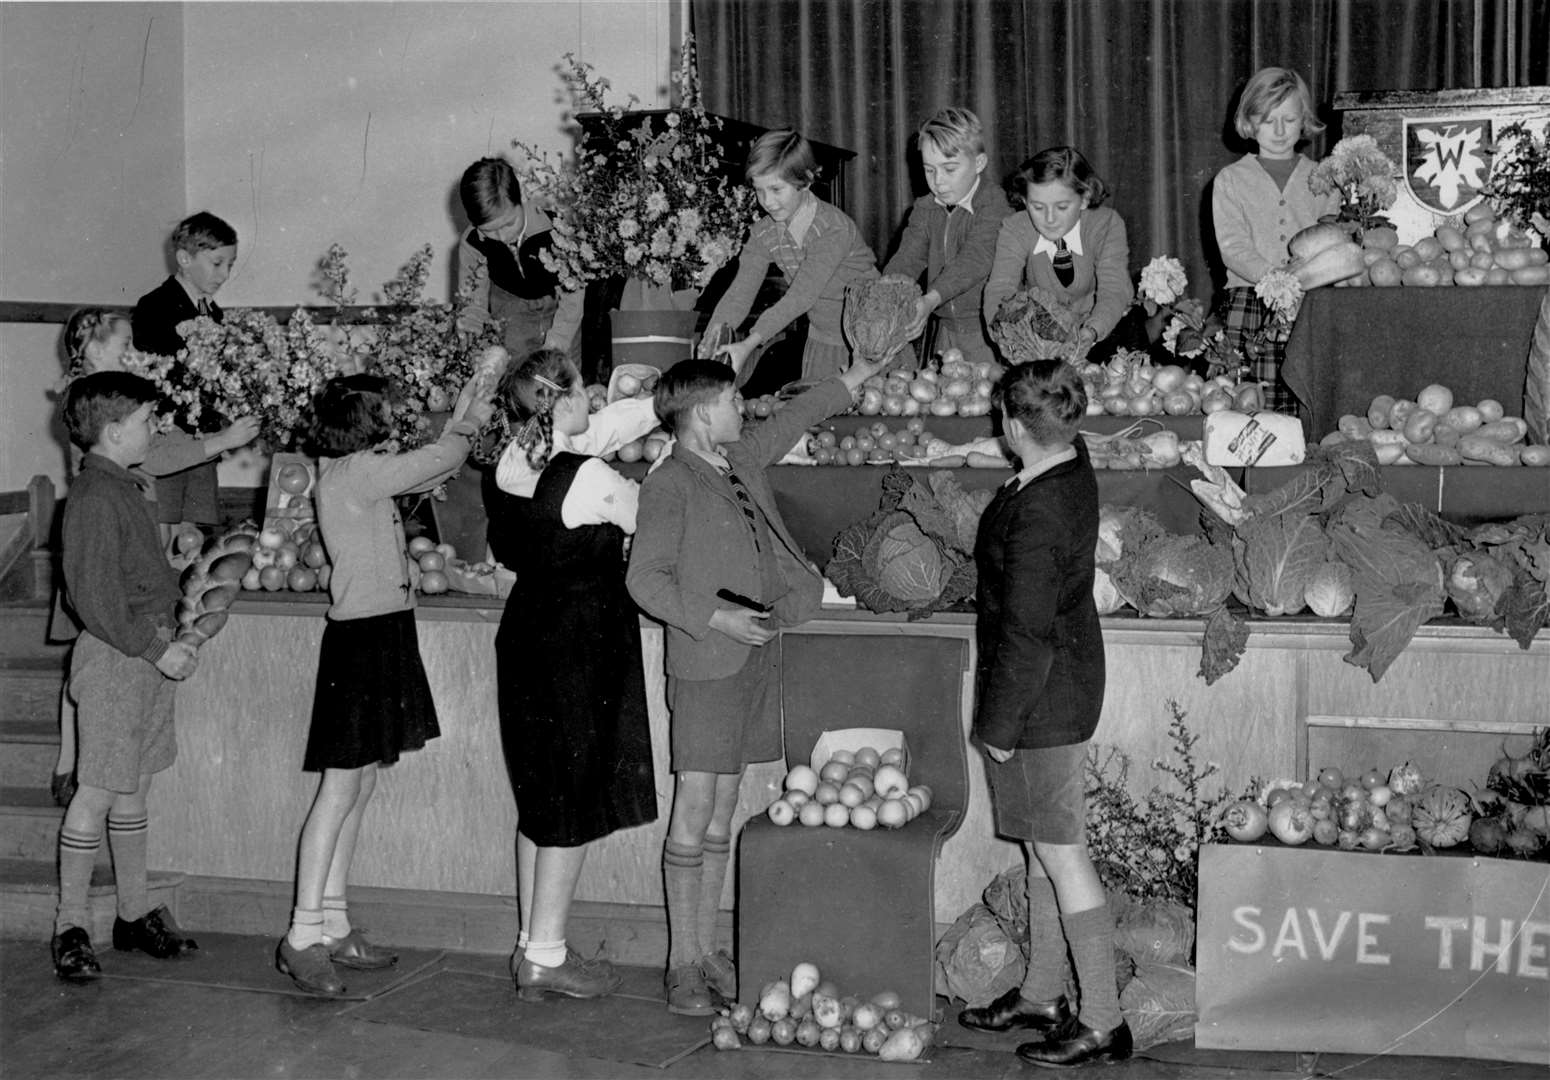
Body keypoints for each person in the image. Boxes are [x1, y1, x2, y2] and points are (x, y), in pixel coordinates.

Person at [626, 348, 890, 1016]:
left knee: (722, 809)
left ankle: (709, 948)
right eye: (731, 401)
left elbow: (795, 414)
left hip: (755, 657)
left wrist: (852, 378)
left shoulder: (738, 457)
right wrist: (715, 615)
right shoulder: (670, 484)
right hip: (708, 662)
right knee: (694, 807)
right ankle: (681, 960)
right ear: (698, 414)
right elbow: (643, 578)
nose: (742, 408)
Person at [275, 371, 493, 997]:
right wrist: (466, 419)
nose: (396, 421)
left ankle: (334, 922)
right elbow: (442, 457)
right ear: (368, 421)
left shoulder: (356, 470)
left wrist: (458, 424)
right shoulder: (356, 473)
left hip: (383, 631)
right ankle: (302, 935)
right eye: (389, 413)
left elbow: (427, 471)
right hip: (361, 642)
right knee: (340, 788)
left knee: (359, 782)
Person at [960, 360, 1130, 1068]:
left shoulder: (1039, 507)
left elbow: (1026, 632)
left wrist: (999, 729)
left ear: (1013, 427)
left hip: (1043, 695)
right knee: (1039, 844)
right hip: (1057, 680)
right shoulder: (1065, 464)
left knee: (1061, 851)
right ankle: (1042, 993)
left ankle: (1103, 1019)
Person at [486, 350, 660, 1002]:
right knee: (572, 791)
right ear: (560, 404)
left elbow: (601, 429)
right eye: (583, 390)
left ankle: (535, 941)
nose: (592, 396)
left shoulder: (510, 460)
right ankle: (548, 956)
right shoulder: (586, 476)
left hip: (529, 629)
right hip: (579, 640)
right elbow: (650, 519)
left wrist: (651, 402)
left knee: (542, 791)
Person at [47, 310, 258, 808]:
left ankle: (72, 763)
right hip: (108, 572)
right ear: (94, 350)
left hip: (123, 566)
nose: (135, 351)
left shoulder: (115, 401)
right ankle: (70, 765)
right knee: (93, 667)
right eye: (125, 344)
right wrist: (223, 441)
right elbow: (155, 456)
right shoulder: (100, 404)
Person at [52, 371, 202, 982]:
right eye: (148, 421)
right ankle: (70, 926)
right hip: (119, 658)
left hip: (144, 654)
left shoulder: (123, 487)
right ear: (114, 432)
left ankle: (133, 914)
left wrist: (170, 569)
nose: (156, 428)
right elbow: (94, 597)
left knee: (134, 786)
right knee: (97, 792)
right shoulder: (91, 497)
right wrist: (153, 649)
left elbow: (125, 574)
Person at [702, 129, 879, 381]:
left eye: (776, 189)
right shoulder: (764, 233)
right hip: (822, 343)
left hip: (870, 343)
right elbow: (739, 294)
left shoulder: (833, 228)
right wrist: (711, 340)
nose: (767, 201)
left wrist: (749, 343)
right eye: (759, 190)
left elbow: (800, 297)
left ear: (805, 181)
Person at [1211, 66, 1338, 411]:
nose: (1280, 131)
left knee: (1300, 405)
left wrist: (1299, 285)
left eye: (1290, 119)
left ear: (1304, 120)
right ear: (1250, 123)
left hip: (1308, 307)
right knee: (1244, 409)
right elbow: (1234, 249)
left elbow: (1332, 241)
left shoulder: (1323, 177)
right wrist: (1276, 282)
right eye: (1268, 120)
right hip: (1249, 303)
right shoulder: (1230, 180)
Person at [132, 211, 242, 539]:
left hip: (201, 438)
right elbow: (155, 378)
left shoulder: (213, 313)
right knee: (164, 529)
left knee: (192, 532)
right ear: (184, 258)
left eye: (230, 265)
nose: (224, 274)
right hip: (168, 439)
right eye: (217, 263)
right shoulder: (155, 306)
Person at [883, 107, 1014, 367]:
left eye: (949, 169)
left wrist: (931, 299)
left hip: (991, 332)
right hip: (944, 332)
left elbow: (975, 259)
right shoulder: (925, 207)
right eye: (929, 170)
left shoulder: (995, 204)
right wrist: (886, 293)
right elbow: (907, 258)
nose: (938, 182)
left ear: (979, 163)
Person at [983, 147, 1134, 359]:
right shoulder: (1015, 228)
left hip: (1107, 330)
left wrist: (1091, 331)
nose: (1050, 219)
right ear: (1025, 201)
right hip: (1045, 339)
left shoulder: (1107, 224)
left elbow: (1114, 289)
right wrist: (1005, 336)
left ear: (1085, 198)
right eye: (1037, 207)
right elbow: (1000, 288)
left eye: (1062, 207)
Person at [456, 157, 584, 363]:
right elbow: (472, 298)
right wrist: (471, 325)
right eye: (489, 231)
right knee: (517, 373)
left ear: (522, 197)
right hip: (510, 309)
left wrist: (558, 342)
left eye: (508, 224)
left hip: (559, 306)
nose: (501, 237)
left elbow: (573, 298)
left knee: (564, 369)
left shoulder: (558, 227)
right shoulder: (472, 241)